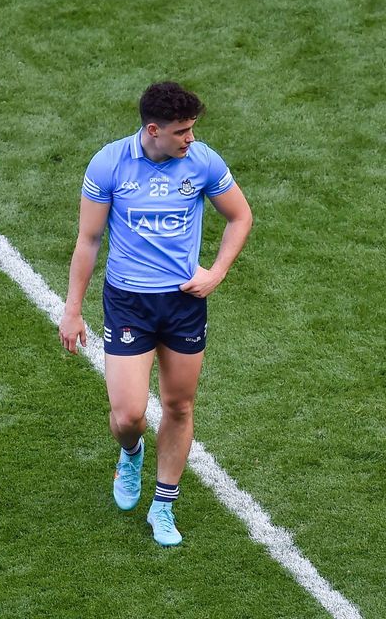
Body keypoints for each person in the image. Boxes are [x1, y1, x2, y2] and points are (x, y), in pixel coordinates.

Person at [58, 82, 252, 547]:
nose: (190, 139)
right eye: (182, 131)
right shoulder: (109, 163)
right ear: (153, 130)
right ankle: (131, 454)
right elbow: (89, 240)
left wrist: (217, 272)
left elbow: (240, 216)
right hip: (129, 302)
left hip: (184, 303)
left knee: (179, 406)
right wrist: (72, 309)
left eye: (192, 130)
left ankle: (163, 505)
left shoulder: (203, 161)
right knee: (128, 415)